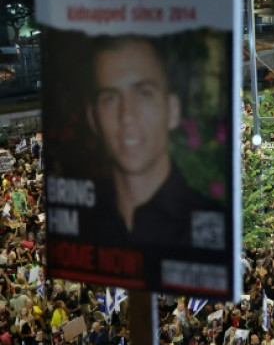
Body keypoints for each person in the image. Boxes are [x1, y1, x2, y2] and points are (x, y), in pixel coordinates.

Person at [80, 36, 223, 247]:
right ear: (93, 119)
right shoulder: (85, 225)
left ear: (173, 110)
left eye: (144, 94)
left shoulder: (212, 225)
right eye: (109, 98)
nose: (127, 115)